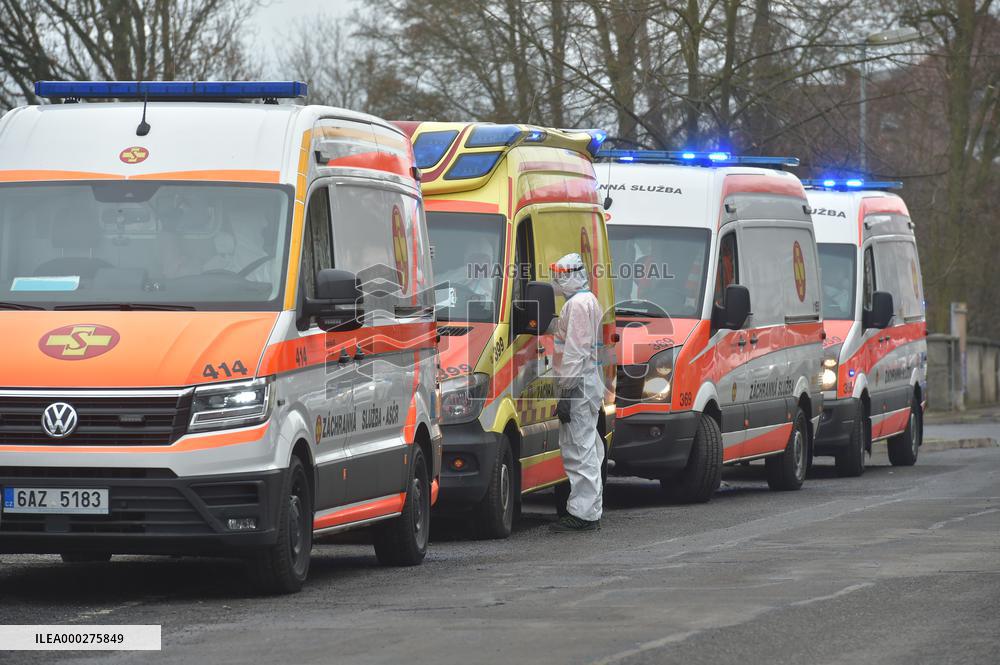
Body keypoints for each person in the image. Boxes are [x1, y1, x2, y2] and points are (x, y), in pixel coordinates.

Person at [550, 252, 605, 532]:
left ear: (570, 276)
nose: (556, 282)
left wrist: (566, 393)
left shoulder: (578, 304)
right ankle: (589, 509)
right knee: (588, 448)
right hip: (587, 386)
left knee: (578, 450)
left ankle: (583, 514)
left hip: (579, 388)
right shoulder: (586, 301)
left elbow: (575, 352)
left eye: (559, 276)